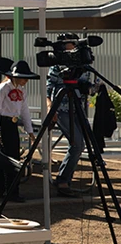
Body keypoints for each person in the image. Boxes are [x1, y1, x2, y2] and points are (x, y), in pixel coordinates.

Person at [47, 35, 91, 197]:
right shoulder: (58, 64)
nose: (69, 48)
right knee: (76, 144)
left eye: (71, 45)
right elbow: (49, 86)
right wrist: (50, 107)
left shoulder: (83, 64)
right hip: (62, 108)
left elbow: (85, 85)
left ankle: (66, 179)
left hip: (78, 107)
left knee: (82, 143)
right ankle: (63, 180)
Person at [0, 58, 38, 164]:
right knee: (2, 156)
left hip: (13, 124)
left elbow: (25, 111)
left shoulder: (22, 91)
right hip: (2, 123)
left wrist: (30, 131)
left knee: (14, 154)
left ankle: (12, 178)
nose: (26, 81)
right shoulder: (2, 88)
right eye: (23, 78)